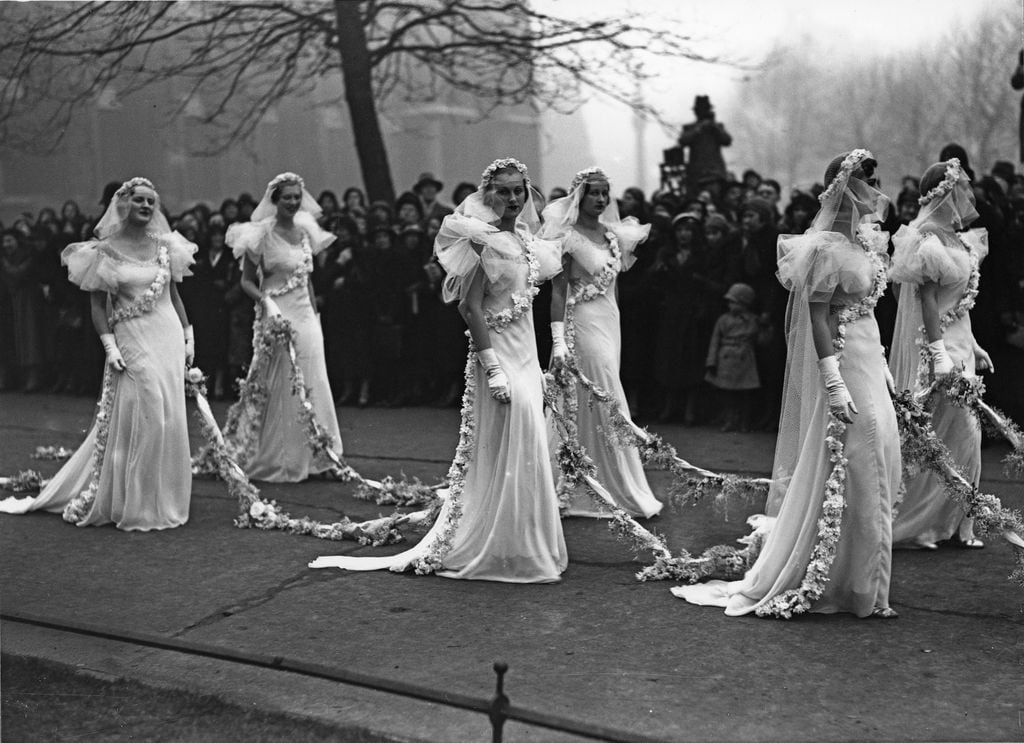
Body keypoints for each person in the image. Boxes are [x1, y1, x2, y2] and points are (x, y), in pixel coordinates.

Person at [310, 157, 567, 583]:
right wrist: (493, 368)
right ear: (488, 195)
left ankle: (526, 541)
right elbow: (469, 306)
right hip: (497, 353)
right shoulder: (483, 241)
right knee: (510, 432)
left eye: (519, 190)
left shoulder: (528, 240)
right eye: (503, 190)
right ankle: (496, 540)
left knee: (530, 437)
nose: (512, 198)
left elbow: (541, 295)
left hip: (526, 353)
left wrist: (548, 352)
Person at [674, 149, 900, 618]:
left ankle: (865, 584)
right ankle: (845, 581)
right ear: (843, 186)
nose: (875, 189)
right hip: (842, 361)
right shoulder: (821, 248)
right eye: (866, 180)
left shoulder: (869, 242)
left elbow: (871, 311)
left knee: (880, 457)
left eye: (875, 179)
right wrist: (832, 378)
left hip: (868, 356)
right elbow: (816, 315)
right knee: (856, 456)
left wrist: (881, 363)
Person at [0, 178, 196, 530]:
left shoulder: (167, 246)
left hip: (166, 335)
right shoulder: (103, 250)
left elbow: (175, 297)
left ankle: (162, 496)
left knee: (168, 415)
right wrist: (109, 345)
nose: (147, 207)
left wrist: (188, 335)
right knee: (147, 407)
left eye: (152, 202)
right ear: (124, 204)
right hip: (131, 338)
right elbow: (96, 306)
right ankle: (134, 501)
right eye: (140, 201)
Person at [543, 167, 663, 519]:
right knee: (602, 391)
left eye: (604, 193)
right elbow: (558, 292)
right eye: (593, 192)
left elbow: (614, 286)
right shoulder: (566, 237)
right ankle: (590, 482)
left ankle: (604, 477)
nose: (599, 199)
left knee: (601, 391)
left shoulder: (614, 235)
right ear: (579, 196)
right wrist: (558, 340)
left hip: (610, 322)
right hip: (580, 324)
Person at [889, 158, 992, 550]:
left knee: (964, 436)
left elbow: (959, 304)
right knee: (940, 431)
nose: (966, 196)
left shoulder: (962, 239)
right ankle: (918, 521)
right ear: (943, 194)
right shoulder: (925, 240)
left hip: (962, 343)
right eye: (960, 189)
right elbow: (927, 302)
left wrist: (975, 345)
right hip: (939, 346)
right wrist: (938, 354)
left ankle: (951, 523)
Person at [219, 172, 342, 482]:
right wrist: (266, 303)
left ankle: (321, 455)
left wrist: (315, 316)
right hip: (276, 313)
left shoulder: (305, 231)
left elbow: (307, 279)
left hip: (305, 314)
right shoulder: (259, 234)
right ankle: (282, 456)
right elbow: (247, 281)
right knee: (281, 379)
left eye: (296, 197)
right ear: (275, 200)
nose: (292, 202)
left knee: (315, 376)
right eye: (286, 197)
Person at [705, 282, 762, 432]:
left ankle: (744, 422)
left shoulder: (752, 320)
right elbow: (714, 341)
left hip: (744, 358)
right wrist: (711, 361)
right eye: (729, 303)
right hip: (726, 359)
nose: (731, 306)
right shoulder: (723, 320)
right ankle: (730, 420)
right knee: (728, 396)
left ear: (745, 304)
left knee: (744, 395)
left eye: (735, 302)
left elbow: (760, 339)